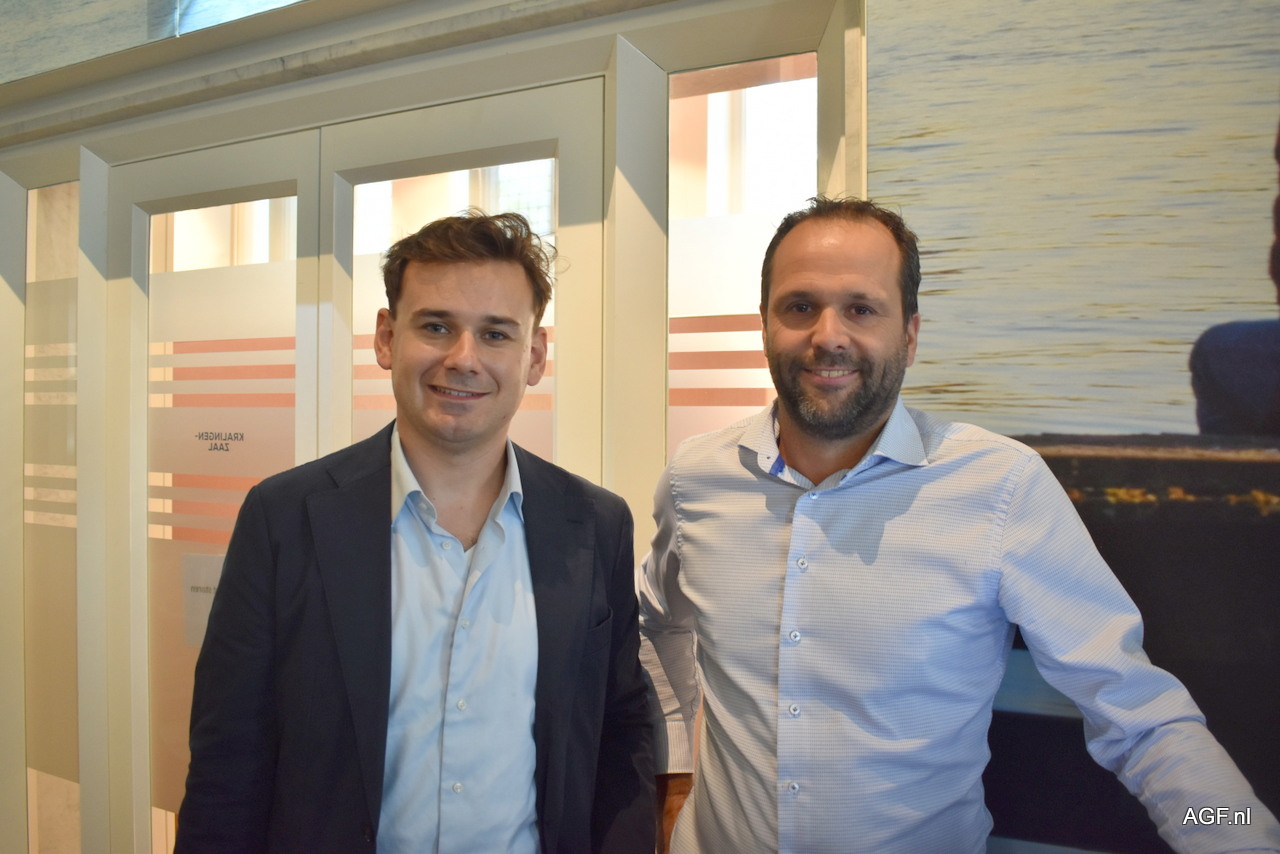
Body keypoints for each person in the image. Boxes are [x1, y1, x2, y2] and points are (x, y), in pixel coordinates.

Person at [638, 196, 1280, 853]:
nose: (827, 335)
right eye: (800, 306)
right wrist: (672, 778)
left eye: (861, 309)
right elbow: (658, 624)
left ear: (910, 335)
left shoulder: (1001, 487)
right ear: (765, 326)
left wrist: (1242, 838)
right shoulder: (696, 477)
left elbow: (1137, 713)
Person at [176, 211, 654, 853]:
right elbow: (227, 760)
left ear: (535, 356)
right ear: (385, 338)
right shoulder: (284, 517)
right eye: (436, 327)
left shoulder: (595, 526)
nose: (463, 359)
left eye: (495, 333)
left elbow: (620, 733)